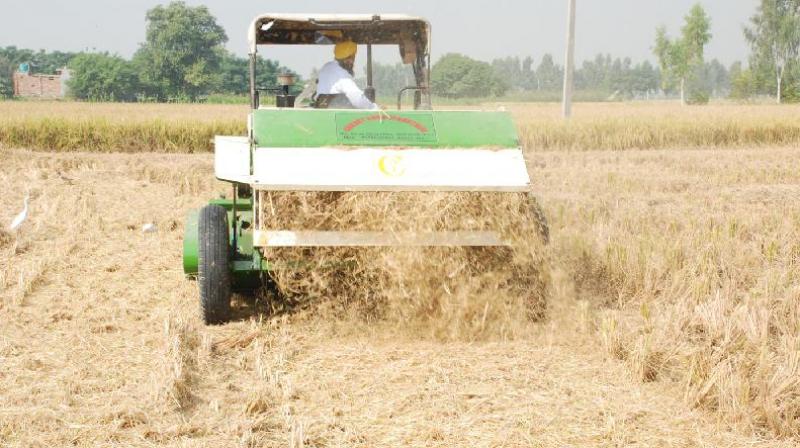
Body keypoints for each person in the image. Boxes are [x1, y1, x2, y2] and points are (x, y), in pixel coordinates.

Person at [314, 41, 379, 110]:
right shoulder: (342, 75)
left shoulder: (326, 67)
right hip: (339, 116)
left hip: (323, 112)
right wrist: (375, 108)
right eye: (351, 58)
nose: (352, 62)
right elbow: (358, 100)